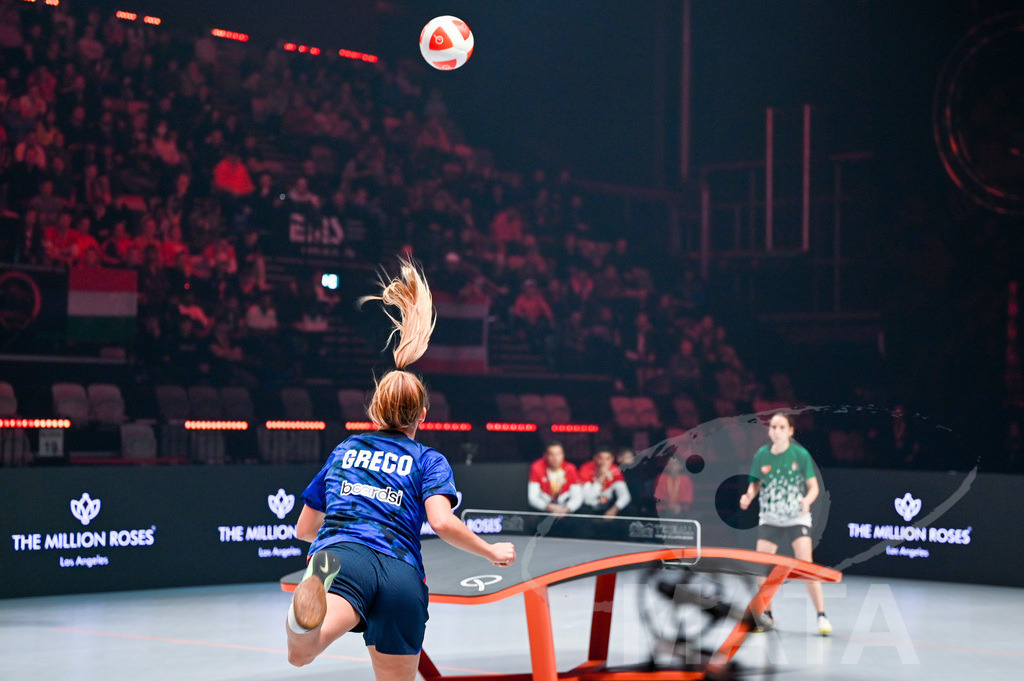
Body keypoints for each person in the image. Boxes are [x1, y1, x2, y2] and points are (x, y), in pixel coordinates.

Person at [286, 260, 516, 679]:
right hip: (401, 574)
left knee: (302, 652)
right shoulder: (430, 460)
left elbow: (304, 528)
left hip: (338, 557)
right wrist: (491, 551)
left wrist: (337, 538)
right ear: (423, 414)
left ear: (375, 409)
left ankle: (305, 611)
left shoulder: (345, 450)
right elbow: (442, 524)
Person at [739, 412, 831, 636]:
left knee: (806, 564)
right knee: (762, 566)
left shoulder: (799, 454)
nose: (776, 431)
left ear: (790, 431)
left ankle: (821, 616)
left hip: (795, 518)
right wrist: (748, 496)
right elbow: (755, 484)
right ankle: (766, 614)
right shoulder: (761, 455)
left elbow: (813, 487)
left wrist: (806, 501)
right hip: (770, 518)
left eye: (781, 427)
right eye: (773, 427)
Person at [527, 442, 582, 515]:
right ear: (545, 456)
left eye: (558, 454)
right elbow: (533, 497)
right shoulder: (537, 468)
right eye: (551, 454)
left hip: (565, 510)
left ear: (563, 455)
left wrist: (567, 509)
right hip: (544, 510)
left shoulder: (570, 468)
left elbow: (577, 496)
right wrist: (550, 508)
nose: (555, 458)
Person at [578, 448, 631, 516]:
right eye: (600, 458)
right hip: (590, 506)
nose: (603, 462)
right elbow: (588, 500)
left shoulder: (615, 470)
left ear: (612, 459)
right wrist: (602, 477)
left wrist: (614, 510)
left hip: (607, 505)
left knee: (628, 509)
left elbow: (625, 496)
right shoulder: (586, 468)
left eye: (607, 459)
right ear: (595, 458)